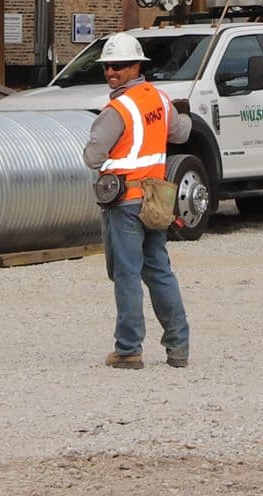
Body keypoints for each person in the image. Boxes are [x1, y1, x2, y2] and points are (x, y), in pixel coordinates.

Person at [82, 32, 191, 370]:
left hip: (124, 203)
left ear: (136, 67)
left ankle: (129, 350)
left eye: (118, 66)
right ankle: (178, 348)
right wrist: (184, 115)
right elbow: (181, 133)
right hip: (155, 199)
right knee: (159, 272)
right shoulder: (159, 98)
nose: (111, 72)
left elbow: (93, 156)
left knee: (127, 275)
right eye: (107, 66)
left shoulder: (117, 109)